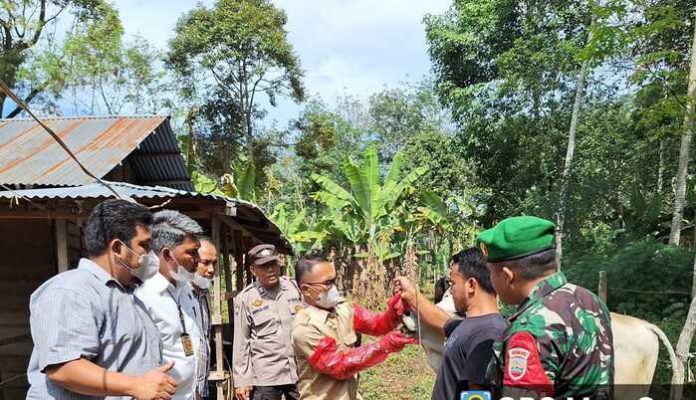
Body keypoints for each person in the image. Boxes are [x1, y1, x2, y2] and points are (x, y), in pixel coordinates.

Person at [26, 199, 176, 400]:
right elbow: (64, 368)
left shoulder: (128, 295)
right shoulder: (72, 290)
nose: (150, 254)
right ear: (117, 248)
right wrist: (136, 385)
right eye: (144, 245)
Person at [478, 216, 614, 399]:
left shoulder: (530, 328)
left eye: (491, 273)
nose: (491, 281)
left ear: (507, 276)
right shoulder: (591, 301)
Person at [291, 254, 416, 400]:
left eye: (334, 281)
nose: (333, 288)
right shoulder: (305, 328)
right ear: (306, 289)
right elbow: (339, 366)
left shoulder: (343, 309)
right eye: (327, 283)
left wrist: (394, 311)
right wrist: (385, 345)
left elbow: (376, 324)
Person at [396, 248, 506, 400]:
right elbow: (442, 321)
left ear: (471, 285)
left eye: (453, 283)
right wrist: (411, 295)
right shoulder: (472, 326)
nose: (450, 290)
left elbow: (477, 394)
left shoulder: (486, 336)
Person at [136, 210, 205, 400]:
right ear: (167, 255)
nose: (198, 260)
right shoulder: (144, 299)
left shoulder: (186, 290)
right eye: (192, 252)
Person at [232, 244, 303, 400]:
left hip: (299, 371)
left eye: (273, 264)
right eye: (264, 266)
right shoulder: (246, 298)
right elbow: (241, 342)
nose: (270, 270)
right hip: (267, 376)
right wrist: (242, 380)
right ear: (253, 270)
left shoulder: (294, 288)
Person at [192, 238, 217, 400]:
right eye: (205, 263)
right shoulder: (179, 295)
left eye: (214, 263)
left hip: (201, 387)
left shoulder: (205, 293)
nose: (211, 269)